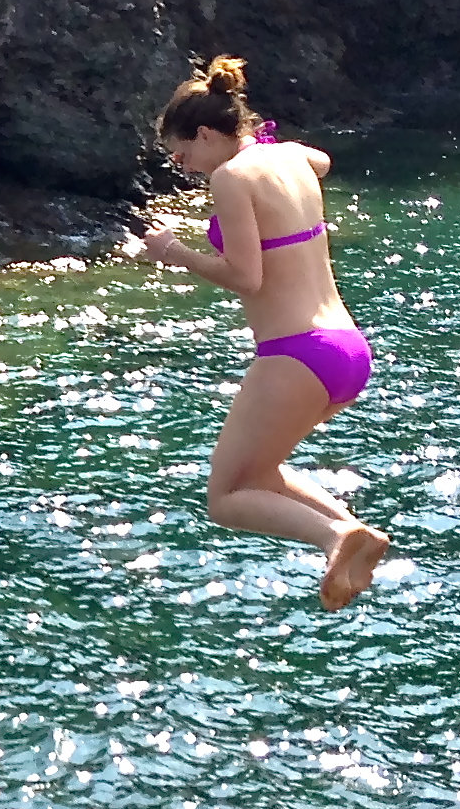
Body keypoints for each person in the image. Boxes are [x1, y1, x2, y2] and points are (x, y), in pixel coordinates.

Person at [116, 56, 391, 609]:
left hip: (296, 353)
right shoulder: (284, 157)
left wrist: (174, 252)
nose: (183, 165)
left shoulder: (230, 177)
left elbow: (246, 276)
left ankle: (336, 536)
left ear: (205, 133)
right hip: (346, 349)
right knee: (262, 472)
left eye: (183, 151)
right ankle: (355, 535)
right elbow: (322, 160)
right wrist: (266, 143)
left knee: (226, 497)